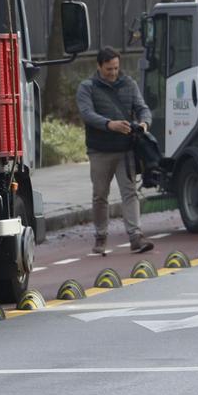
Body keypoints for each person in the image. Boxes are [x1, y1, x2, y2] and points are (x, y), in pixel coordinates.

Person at [77, 47, 155, 257]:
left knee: (130, 192)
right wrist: (109, 124)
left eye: (116, 68)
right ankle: (100, 237)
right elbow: (87, 113)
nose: (113, 73)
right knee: (100, 195)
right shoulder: (88, 87)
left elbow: (142, 107)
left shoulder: (129, 84)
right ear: (99, 66)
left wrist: (144, 123)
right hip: (99, 150)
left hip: (125, 150)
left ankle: (135, 237)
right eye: (109, 69)